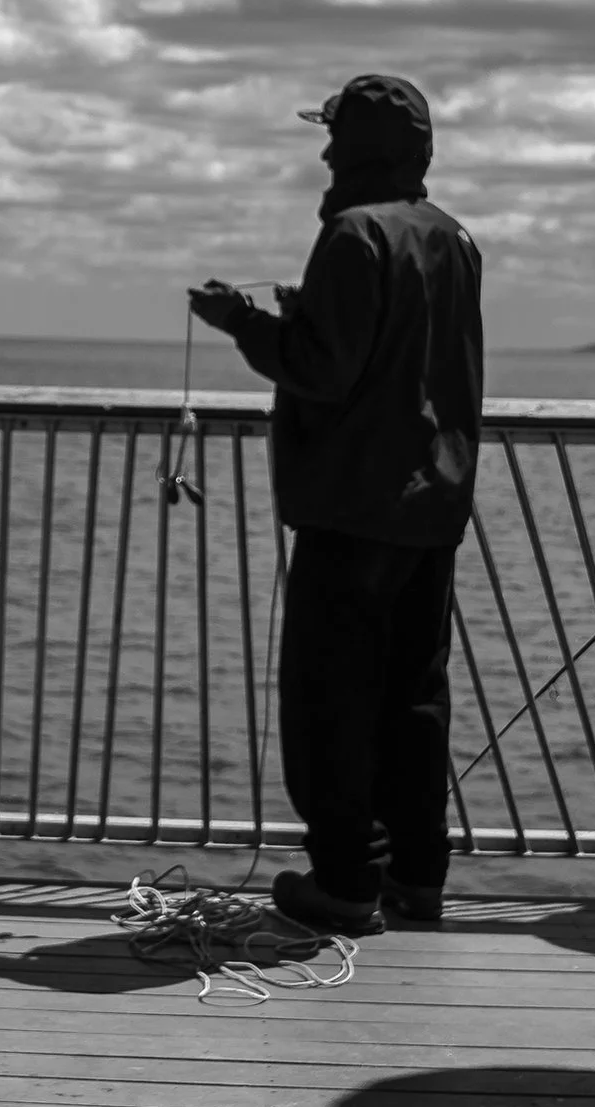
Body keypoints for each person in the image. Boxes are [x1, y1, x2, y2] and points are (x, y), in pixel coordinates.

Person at [190, 74, 483, 933]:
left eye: (334, 138)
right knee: (414, 699)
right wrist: (305, 314)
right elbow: (404, 346)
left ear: (354, 149)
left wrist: (243, 321)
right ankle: (418, 877)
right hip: (434, 506)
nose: (322, 153)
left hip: (354, 507)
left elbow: (324, 370)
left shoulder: (354, 233)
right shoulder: (453, 237)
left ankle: (348, 883)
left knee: (332, 702)